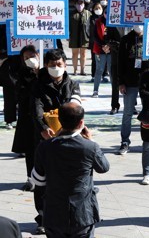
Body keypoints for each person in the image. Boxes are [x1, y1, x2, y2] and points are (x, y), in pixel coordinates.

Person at [31, 102, 110, 237]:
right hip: (83, 214)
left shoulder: (45, 147)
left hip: (54, 213)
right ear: (81, 123)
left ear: (59, 120)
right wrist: (90, 140)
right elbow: (103, 168)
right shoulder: (90, 147)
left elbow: (37, 181)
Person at [32, 49, 81, 234]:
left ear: (65, 65)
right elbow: (36, 110)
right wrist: (44, 128)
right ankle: (42, 217)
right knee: (42, 180)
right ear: (46, 66)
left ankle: (67, 216)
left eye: (59, 65)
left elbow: (76, 108)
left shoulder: (73, 84)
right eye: (52, 65)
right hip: (46, 138)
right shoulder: (38, 85)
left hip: (68, 137)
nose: (56, 68)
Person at [11, 45, 39, 191]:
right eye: (26, 58)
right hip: (27, 117)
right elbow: (19, 93)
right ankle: (31, 177)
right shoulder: (20, 74)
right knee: (30, 149)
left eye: (32, 57)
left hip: (42, 118)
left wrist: (39, 73)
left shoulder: (44, 73)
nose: (29, 60)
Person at [117, 25, 148, 154]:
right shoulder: (125, 39)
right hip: (130, 80)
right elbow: (120, 62)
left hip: (147, 80)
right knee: (128, 112)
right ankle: (125, 141)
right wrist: (121, 82)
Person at [91, 3, 111, 97]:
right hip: (100, 49)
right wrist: (103, 45)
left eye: (109, 12)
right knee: (99, 69)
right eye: (105, 12)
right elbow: (94, 36)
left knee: (111, 70)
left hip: (111, 49)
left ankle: (114, 91)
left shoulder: (113, 21)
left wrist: (109, 45)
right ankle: (95, 90)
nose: (107, 14)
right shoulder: (98, 21)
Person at [69, 0, 91, 76]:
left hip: (84, 37)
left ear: (84, 4)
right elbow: (68, 25)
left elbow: (91, 26)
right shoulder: (71, 13)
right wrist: (68, 35)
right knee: (74, 54)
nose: (80, 5)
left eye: (81, 4)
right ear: (75, 4)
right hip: (74, 36)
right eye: (78, 4)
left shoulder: (88, 13)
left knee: (83, 54)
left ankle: (82, 70)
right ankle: (75, 70)